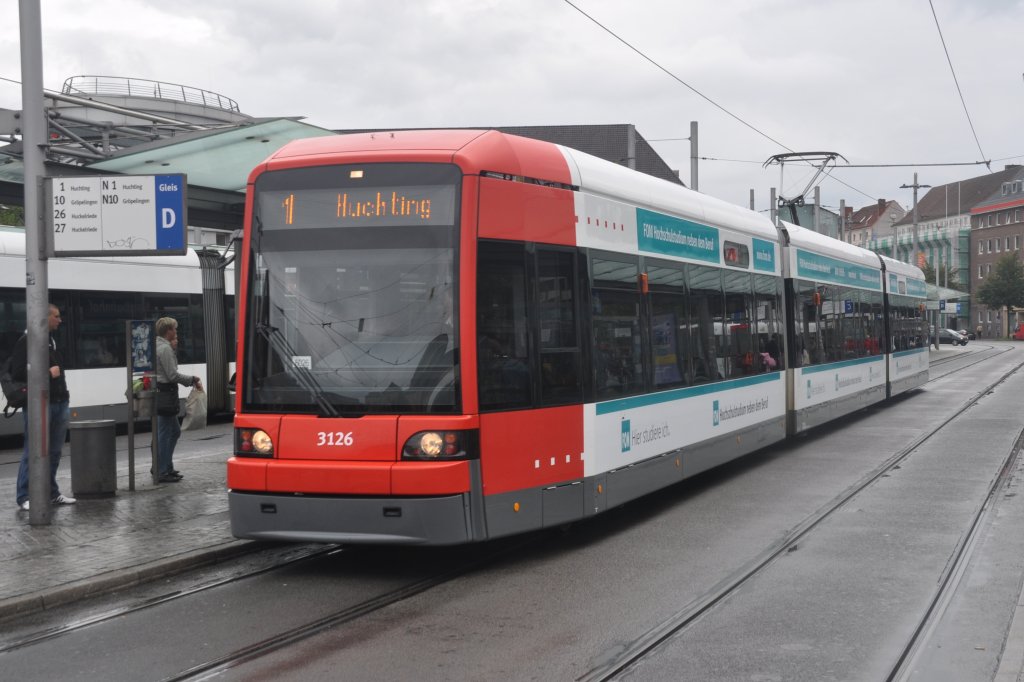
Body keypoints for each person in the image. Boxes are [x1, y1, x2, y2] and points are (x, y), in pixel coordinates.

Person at [14, 304, 75, 511]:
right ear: (46, 317)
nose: (60, 320)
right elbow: (17, 373)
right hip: (40, 403)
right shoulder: (28, 340)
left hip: (59, 401)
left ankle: (51, 492)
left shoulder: (52, 340)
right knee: (33, 450)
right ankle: (24, 496)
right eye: (56, 316)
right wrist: (48, 374)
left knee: (55, 451)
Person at [154, 317, 202, 483]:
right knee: (165, 433)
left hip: (164, 394)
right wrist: (192, 379)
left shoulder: (159, 345)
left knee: (173, 431)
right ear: (168, 331)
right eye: (175, 329)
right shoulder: (165, 348)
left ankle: (165, 466)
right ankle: (162, 470)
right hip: (165, 395)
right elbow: (172, 375)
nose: (176, 332)